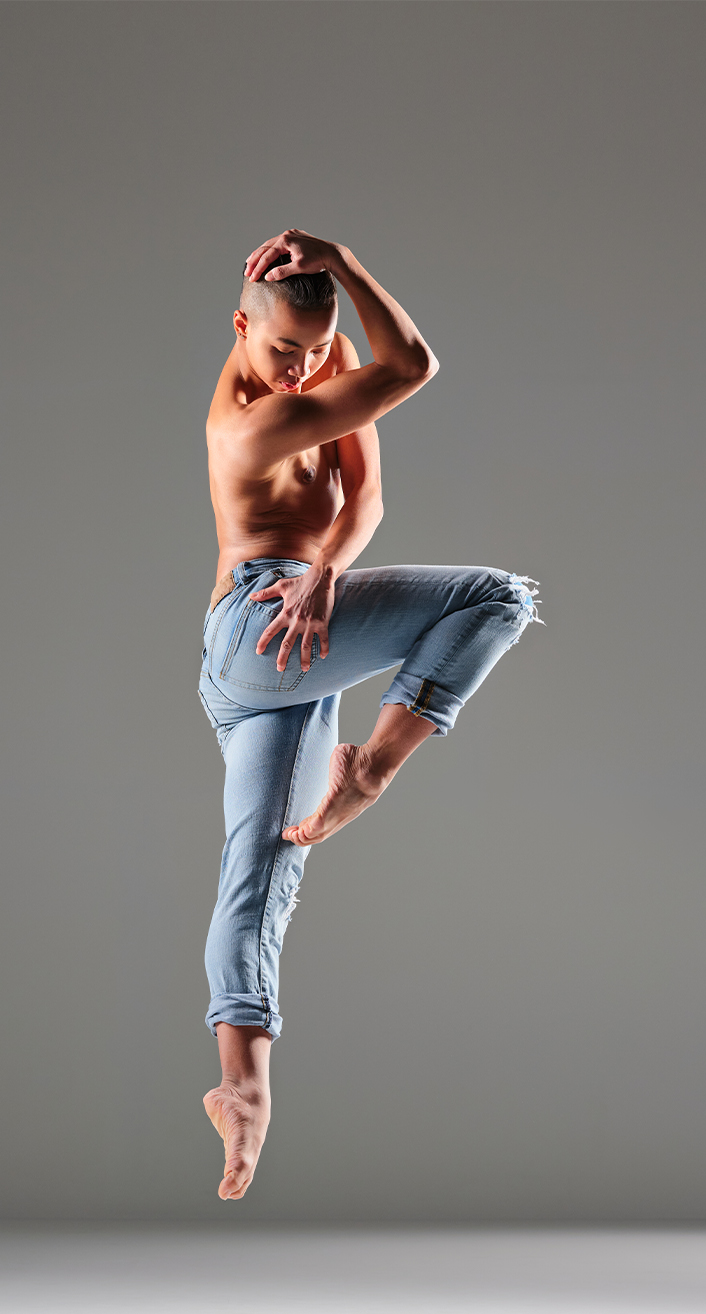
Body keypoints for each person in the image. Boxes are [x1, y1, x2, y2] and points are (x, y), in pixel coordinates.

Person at [198, 228, 543, 1201]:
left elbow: (368, 496)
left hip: (287, 637)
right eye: (280, 352)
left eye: (315, 350)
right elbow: (416, 365)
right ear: (239, 328)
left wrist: (327, 573)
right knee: (496, 596)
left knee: (261, 865)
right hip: (256, 632)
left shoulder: (324, 360)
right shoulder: (247, 425)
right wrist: (344, 259)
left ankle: (242, 1090)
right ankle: (372, 770)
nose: (301, 368)